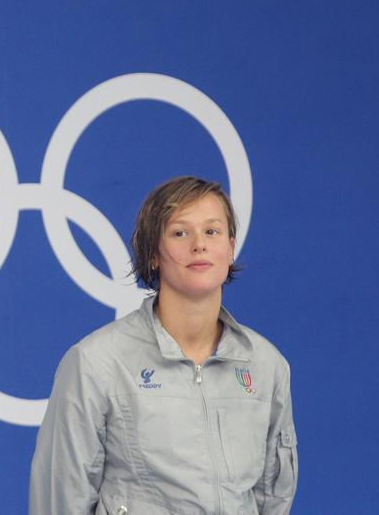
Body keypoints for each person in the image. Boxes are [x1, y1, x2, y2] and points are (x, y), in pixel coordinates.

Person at [29, 177, 297, 514]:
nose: (199, 245)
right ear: (153, 253)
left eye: (212, 231)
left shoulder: (266, 365)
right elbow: (61, 499)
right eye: (180, 233)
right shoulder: (96, 363)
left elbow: (272, 498)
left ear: (230, 248)